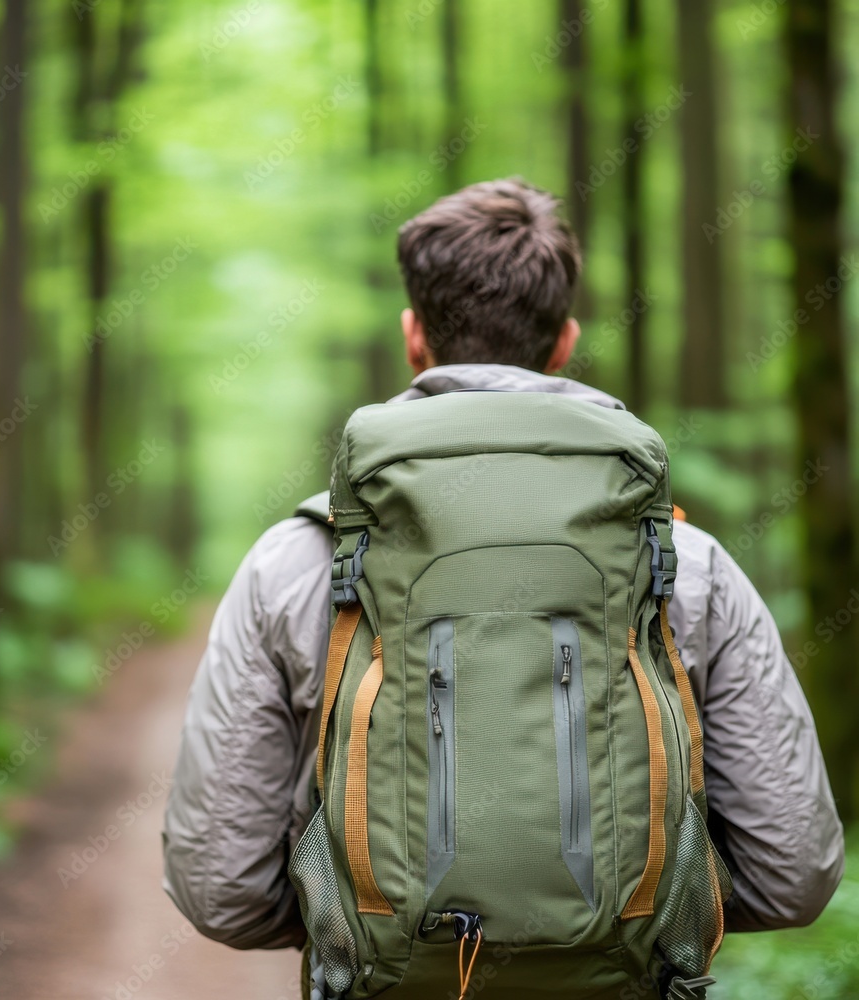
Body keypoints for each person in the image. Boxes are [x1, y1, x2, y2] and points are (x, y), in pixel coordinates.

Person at [162, 179, 844, 968]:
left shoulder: (297, 561)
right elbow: (792, 871)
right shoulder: (686, 565)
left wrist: (355, 924)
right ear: (565, 342)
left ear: (414, 336)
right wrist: (643, 923)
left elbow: (222, 887)